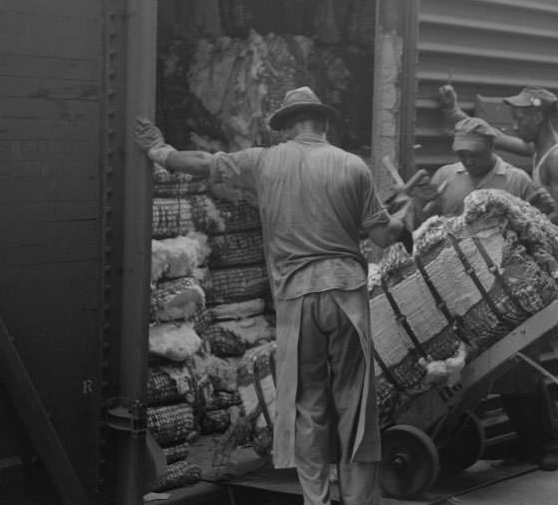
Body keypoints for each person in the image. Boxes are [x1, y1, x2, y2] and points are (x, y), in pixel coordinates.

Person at [135, 86, 411, 505]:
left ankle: (316, 500)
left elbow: (204, 164)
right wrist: (408, 219)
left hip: (298, 298)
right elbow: (382, 235)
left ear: (287, 126)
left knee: (308, 403)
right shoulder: (354, 167)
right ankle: (357, 501)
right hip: (346, 295)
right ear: (324, 123)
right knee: (354, 404)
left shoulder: (264, 161)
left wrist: (160, 151)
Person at [438, 84, 558, 454]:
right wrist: (455, 115)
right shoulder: (539, 148)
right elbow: (493, 139)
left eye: (520, 117)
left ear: (538, 117)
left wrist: (512, 226)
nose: (515, 124)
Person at [410, 113, 558, 472]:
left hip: (506, 289)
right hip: (458, 291)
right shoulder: (447, 177)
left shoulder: (516, 180)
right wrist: (420, 203)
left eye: (474, 154)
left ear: (492, 147)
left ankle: (543, 443)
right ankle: (447, 439)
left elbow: (540, 228)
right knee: (461, 371)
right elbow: (425, 227)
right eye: (462, 154)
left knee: (519, 364)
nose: (467, 160)